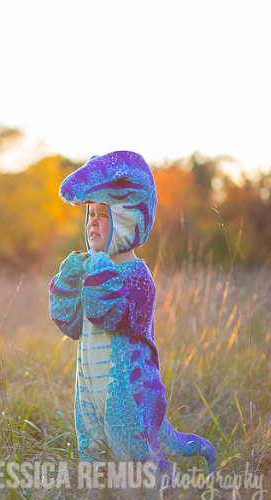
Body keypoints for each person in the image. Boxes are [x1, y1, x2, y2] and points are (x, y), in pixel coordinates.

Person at [49, 151, 217, 474]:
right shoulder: (91, 268)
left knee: (138, 464)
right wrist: (69, 281)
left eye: (103, 214)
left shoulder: (137, 275)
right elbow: (70, 324)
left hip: (133, 393)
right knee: (94, 458)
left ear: (125, 220)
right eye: (90, 215)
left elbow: (108, 313)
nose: (93, 223)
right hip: (89, 390)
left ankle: (167, 489)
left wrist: (97, 265)